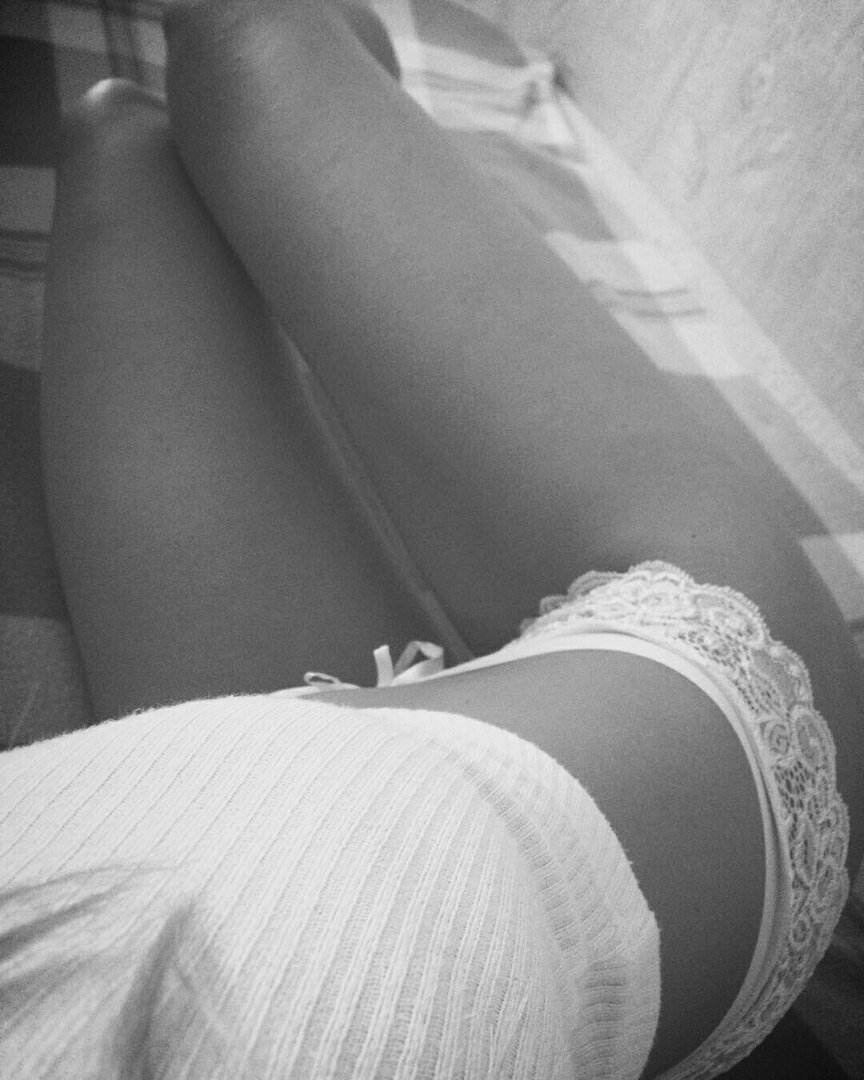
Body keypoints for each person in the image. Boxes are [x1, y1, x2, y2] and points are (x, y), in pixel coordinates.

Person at [1, 1, 861, 1077]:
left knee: (123, 143)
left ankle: (346, 131)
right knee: (232, 46)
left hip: (228, 786)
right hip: (600, 823)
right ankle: (354, 92)